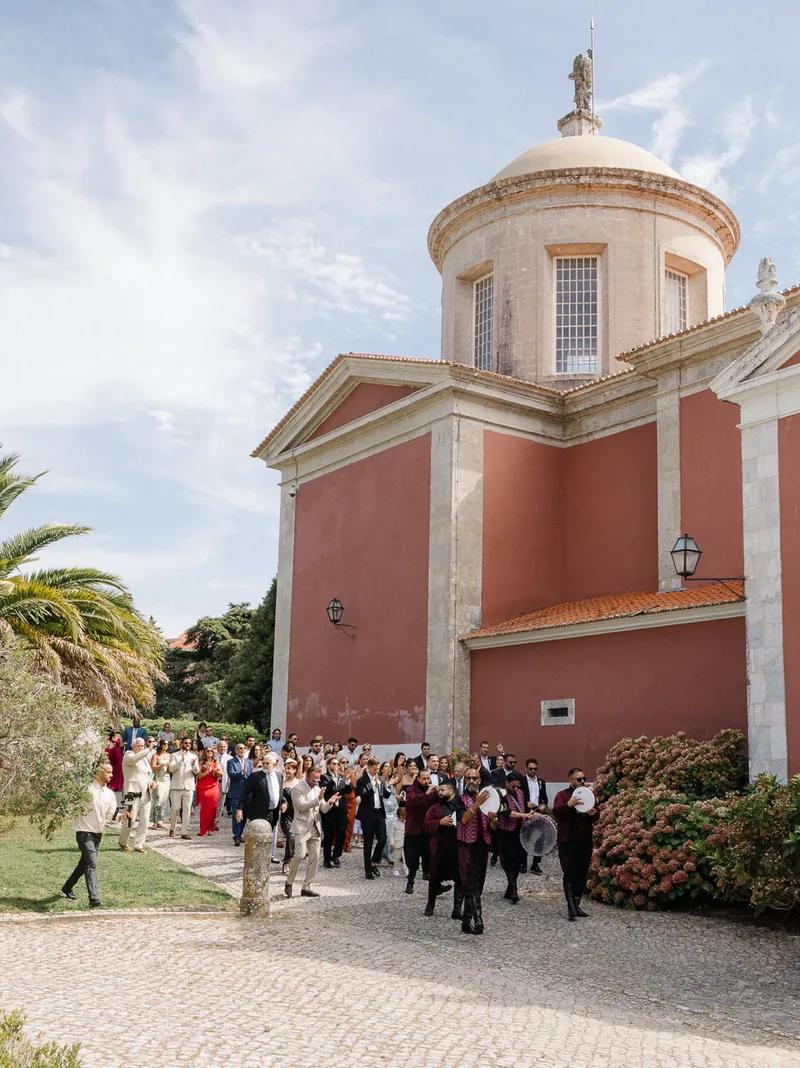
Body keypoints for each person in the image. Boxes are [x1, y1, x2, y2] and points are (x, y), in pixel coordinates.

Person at [60, 760, 118, 908]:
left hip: (98, 834)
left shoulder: (110, 794)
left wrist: (124, 817)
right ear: (99, 772)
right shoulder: (85, 789)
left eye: (112, 772)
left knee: (83, 864)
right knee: (91, 863)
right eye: (108, 772)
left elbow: (112, 815)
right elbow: (70, 800)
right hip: (84, 833)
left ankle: (67, 887)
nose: (111, 775)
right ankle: (94, 898)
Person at [285, 767, 338, 898]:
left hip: (316, 827)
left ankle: (306, 887)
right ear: (307, 776)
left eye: (317, 780)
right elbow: (301, 806)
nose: (316, 783)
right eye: (313, 780)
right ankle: (289, 882)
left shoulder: (318, 789)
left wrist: (330, 802)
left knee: (315, 858)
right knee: (299, 855)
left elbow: (323, 809)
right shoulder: (297, 789)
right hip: (302, 826)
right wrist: (318, 798)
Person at [553, 768, 597, 921]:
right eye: (579, 779)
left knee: (582, 873)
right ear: (570, 780)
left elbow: (594, 814)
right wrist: (569, 805)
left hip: (584, 840)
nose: (583, 781)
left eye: (584, 778)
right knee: (569, 873)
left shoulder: (588, 794)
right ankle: (571, 906)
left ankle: (577, 904)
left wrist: (593, 814)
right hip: (567, 840)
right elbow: (557, 812)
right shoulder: (562, 795)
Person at [456, 769, 497, 935]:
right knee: (470, 882)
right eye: (469, 778)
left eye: (475, 778)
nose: (472, 781)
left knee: (479, 883)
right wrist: (477, 804)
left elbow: (493, 827)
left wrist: (494, 820)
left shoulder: (489, 798)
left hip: (482, 845)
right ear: (465, 780)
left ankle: (466, 922)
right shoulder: (460, 799)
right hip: (466, 844)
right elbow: (464, 819)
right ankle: (478, 918)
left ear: (480, 780)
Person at [422, 781, 460, 918]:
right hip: (439, 848)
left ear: (452, 792)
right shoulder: (435, 808)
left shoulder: (460, 807)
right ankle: (430, 904)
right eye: (440, 790)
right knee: (434, 878)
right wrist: (439, 822)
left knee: (459, 879)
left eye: (443, 790)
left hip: (457, 848)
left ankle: (457, 909)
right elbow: (426, 826)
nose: (440, 792)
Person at [497, 770, 531, 904]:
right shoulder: (502, 795)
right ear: (506, 783)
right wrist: (524, 816)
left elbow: (524, 808)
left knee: (517, 861)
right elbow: (506, 812)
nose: (515, 788)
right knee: (507, 861)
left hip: (519, 832)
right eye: (513, 786)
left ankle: (510, 888)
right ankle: (514, 890)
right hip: (506, 832)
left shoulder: (521, 793)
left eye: (517, 786)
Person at [236, 751, 283, 847]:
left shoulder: (279, 776)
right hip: (259, 812)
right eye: (263, 763)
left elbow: (280, 792)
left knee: (269, 836)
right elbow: (245, 793)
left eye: (267, 763)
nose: (265, 765)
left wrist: (284, 802)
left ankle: (268, 857)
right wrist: (240, 809)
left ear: (274, 764)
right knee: (258, 837)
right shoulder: (255, 776)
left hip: (273, 812)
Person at [401, 768, 436, 893]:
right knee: (413, 861)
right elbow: (412, 801)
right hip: (414, 830)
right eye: (424, 778)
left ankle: (434, 885)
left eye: (428, 778)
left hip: (427, 830)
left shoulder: (432, 790)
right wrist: (426, 794)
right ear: (419, 778)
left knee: (430, 858)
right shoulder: (411, 789)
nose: (427, 781)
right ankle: (410, 883)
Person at [356, 757, 390, 880]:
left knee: (383, 838)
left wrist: (387, 786)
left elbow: (386, 795)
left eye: (378, 769)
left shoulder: (380, 779)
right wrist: (373, 785)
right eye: (375, 769)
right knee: (368, 843)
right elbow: (361, 794)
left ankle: (374, 861)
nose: (377, 771)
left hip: (379, 813)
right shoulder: (362, 780)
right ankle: (367, 870)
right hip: (367, 815)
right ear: (369, 768)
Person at [119, 737, 153, 852]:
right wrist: (148, 750)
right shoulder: (128, 755)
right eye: (139, 745)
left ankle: (139, 844)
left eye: (142, 746)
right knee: (130, 820)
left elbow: (147, 774)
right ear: (133, 746)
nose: (141, 747)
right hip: (132, 794)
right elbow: (134, 759)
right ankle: (123, 841)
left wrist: (152, 782)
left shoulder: (144, 759)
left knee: (145, 820)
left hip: (146, 793)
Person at [320, 756, 351, 868]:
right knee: (328, 836)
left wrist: (347, 782)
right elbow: (324, 790)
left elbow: (348, 791)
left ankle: (336, 856)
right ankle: (327, 860)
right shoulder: (324, 777)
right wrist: (333, 782)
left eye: (337, 764)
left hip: (341, 810)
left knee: (341, 833)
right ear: (328, 765)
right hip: (329, 810)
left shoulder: (342, 777)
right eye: (333, 763)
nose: (336, 766)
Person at [520, 757, 549, 874]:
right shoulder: (521, 781)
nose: (533, 771)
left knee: (540, 839)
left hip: (538, 814)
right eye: (531, 769)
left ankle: (535, 864)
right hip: (526, 814)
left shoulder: (541, 782)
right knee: (524, 838)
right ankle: (523, 864)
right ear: (526, 769)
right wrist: (527, 806)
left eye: (535, 769)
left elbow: (544, 799)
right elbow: (518, 799)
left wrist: (543, 806)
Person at [169, 736, 199, 839]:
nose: (188, 745)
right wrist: (180, 761)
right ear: (181, 743)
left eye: (189, 743)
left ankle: (184, 831)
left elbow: (197, 771)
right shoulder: (174, 755)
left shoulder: (194, 756)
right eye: (186, 743)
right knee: (175, 808)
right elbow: (171, 769)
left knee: (187, 809)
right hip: (176, 785)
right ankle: (172, 828)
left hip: (189, 786)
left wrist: (195, 766)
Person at [226, 743, 253, 845]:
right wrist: (242, 772)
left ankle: (240, 834)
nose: (242, 750)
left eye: (243, 748)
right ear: (236, 750)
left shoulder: (249, 762)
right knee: (236, 815)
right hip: (236, 793)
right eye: (239, 748)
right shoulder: (231, 762)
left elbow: (251, 777)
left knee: (245, 816)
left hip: (247, 794)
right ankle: (236, 836)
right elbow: (231, 775)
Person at [195, 749, 222, 836]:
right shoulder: (201, 762)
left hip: (213, 787)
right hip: (204, 787)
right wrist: (207, 772)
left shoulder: (216, 762)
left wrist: (215, 771)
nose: (209, 752)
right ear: (205, 752)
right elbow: (198, 776)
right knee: (204, 809)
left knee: (213, 808)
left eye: (211, 751)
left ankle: (211, 828)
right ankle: (203, 829)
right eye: (208, 751)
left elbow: (221, 774)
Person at [280, 757, 300, 873]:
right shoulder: (281, 783)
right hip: (286, 815)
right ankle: (286, 862)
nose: (287, 770)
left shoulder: (299, 783)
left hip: (297, 815)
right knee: (291, 836)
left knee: (294, 840)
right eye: (286, 768)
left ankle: (292, 859)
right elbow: (280, 798)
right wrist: (283, 804)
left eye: (289, 769)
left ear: (294, 770)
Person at [149, 738, 171, 829]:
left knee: (164, 800)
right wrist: (160, 765)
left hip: (167, 778)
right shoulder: (156, 755)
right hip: (158, 778)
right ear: (161, 745)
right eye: (164, 744)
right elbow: (153, 768)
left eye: (167, 744)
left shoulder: (170, 755)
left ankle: (160, 820)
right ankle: (155, 820)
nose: (166, 745)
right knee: (157, 799)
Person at [104, 730, 124, 802]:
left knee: (118, 772)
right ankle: (111, 787)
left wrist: (122, 744)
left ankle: (118, 788)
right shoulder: (107, 738)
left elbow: (121, 745)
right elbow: (105, 746)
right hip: (111, 755)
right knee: (112, 771)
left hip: (118, 755)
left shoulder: (118, 736)